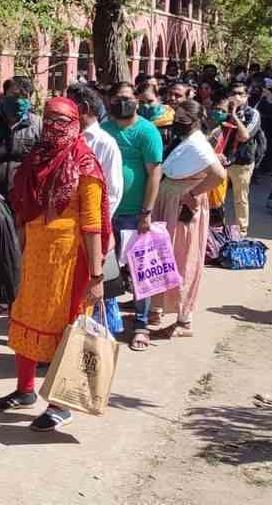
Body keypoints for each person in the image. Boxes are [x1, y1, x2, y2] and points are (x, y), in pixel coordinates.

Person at [0, 98, 111, 432]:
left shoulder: (85, 164)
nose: (54, 127)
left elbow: (92, 224)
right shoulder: (37, 158)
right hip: (33, 257)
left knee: (65, 328)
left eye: (62, 120)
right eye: (49, 119)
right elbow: (22, 209)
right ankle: (25, 389)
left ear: (76, 123)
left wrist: (97, 276)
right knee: (25, 318)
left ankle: (61, 404)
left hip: (70, 262)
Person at [149, 101, 227, 337]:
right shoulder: (185, 141)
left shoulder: (198, 144)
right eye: (177, 119)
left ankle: (184, 320)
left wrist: (192, 194)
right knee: (164, 255)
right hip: (170, 200)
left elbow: (219, 174)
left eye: (182, 121)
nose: (177, 124)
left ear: (194, 122)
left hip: (182, 205)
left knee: (183, 257)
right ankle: (157, 307)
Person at [101, 82, 164, 351]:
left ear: (136, 100)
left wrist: (146, 212)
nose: (122, 103)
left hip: (135, 215)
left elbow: (154, 173)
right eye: (117, 99)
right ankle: (107, 322)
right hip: (106, 213)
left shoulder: (147, 131)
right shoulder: (104, 130)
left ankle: (141, 325)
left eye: (127, 98)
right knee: (106, 270)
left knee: (140, 271)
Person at [70, 84, 125, 335]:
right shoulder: (68, 139)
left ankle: (95, 341)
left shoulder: (105, 143)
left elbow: (113, 193)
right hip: (70, 231)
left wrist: (97, 226)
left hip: (95, 228)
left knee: (98, 286)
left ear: (83, 108)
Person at [0, 77, 42, 198]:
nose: (19, 101)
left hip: (23, 195)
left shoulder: (37, 125)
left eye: (24, 97)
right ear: (3, 96)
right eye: (15, 96)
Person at [225, 82, 262, 238]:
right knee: (216, 195)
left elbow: (244, 136)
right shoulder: (223, 110)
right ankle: (217, 226)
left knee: (240, 197)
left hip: (242, 161)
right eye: (233, 93)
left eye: (240, 94)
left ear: (247, 96)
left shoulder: (252, 114)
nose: (236, 97)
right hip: (223, 160)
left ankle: (241, 230)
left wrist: (234, 116)